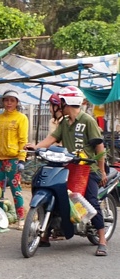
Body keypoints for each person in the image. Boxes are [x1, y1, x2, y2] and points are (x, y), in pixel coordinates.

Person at [25, 86, 108, 256]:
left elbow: (99, 145)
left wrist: (102, 171)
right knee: (56, 194)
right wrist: (36, 146)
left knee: (91, 200)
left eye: (60, 102)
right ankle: (46, 234)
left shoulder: (87, 121)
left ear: (67, 102)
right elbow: (52, 138)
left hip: (88, 169)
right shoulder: (64, 123)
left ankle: (102, 240)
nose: (57, 106)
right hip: (69, 168)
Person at [0, 90, 29, 230]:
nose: (9, 103)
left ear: (17, 103)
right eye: (6, 100)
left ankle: (21, 218)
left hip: (13, 160)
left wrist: (22, 159)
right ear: (3, 102)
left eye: (12, 100)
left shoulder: (21, 118)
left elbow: (23, 140)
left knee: (16, 189)